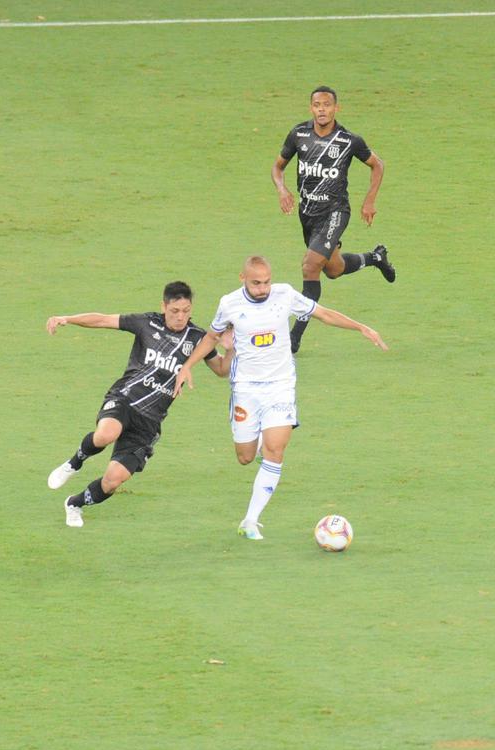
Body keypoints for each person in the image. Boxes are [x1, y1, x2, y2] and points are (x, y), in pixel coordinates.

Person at [173, 255, 387, 540]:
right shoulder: (230, 304)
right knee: (245, 457)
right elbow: (212, 337)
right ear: (243, 279)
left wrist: (362, 327)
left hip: (280, 386)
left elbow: (323, 313)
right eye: (256, 283)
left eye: (266, 282)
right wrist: (187, 366)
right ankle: (261, 436)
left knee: (276, 450)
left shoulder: (285, 295)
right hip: (246, 389)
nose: (263, 289)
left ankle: (250, 520)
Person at [45, 281, 233, 528]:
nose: (180, 317)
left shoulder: (198, 339)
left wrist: (231, 349)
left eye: (186, 311)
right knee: (106, 434)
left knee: (113, 480)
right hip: (125, 399)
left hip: (150, 421)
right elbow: (103, 320)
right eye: (175, 311)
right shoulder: (146, 323)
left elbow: (221, 370)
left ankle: (74, 504)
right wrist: (66, 318)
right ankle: (74, 463)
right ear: (163, 306)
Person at [272, 85, 395, 353]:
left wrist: (369, 200)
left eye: (327, 105)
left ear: (336, 108)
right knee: (333, 269)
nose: (322, 110)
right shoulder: (299, 134)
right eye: (317, 105)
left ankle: (294, 338)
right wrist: (282, 189)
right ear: (311, 108)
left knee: (310, 266)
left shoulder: (348, 140)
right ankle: (375, 258)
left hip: (335, 212)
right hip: (308, 215)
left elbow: (378, 164)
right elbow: (277, 167)